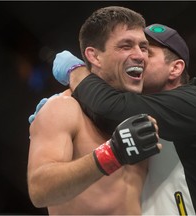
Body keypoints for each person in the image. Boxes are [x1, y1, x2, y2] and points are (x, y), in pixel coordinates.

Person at [47, 23, 196, 214]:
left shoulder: (195, 105)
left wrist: (75, 70)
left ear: (175, 69)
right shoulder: (152, 107)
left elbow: (109, 108)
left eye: (148, 52)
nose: (139, 57)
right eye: (135, 48)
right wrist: (67, 103)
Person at [27, 6, 161, 215]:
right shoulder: (63, 108)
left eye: (143, 47)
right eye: (126, 46)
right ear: (94, 56)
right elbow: (39, 190)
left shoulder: (144, 108)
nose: (139, 56)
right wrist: (112, 154)